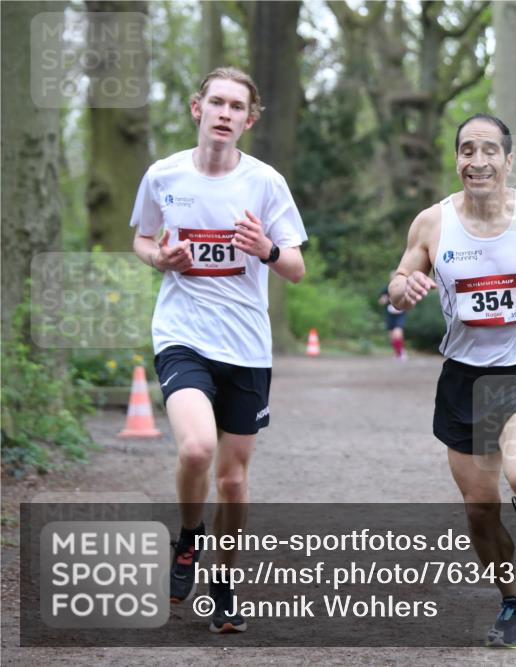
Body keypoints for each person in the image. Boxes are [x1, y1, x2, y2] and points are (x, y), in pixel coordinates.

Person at [389, 113, 516, 648]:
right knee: (480, 511)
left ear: (509, 160)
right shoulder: (432, 223)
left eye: (488, 151)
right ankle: (513, 603)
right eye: (466, 151)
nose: (476, 161)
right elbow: (398, 279)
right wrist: (403, 289)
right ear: (456, 159)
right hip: (463, 378)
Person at [129, 67, 307, 634]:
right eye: (217, 103)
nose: (226, 114)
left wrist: (267, 248)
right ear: (196, 108)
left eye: (238, 107)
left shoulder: (265, 183)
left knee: (232, 480)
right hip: (182, 333)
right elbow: (140, 236)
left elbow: (297, 268)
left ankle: (224, 585)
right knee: (198, 450)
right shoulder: (163, 175)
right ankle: (188, 538)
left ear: (249, 120)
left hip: (247, 346)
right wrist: (159, 258)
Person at [379, 284, 408, 360]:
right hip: (390, 315)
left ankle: (401, 352)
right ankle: (397, 353)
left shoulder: (404, 287)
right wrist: (384, 300)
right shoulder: (386, 288)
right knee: (392, 336)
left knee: (397, 333)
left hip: (400, 314)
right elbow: (381, 301)